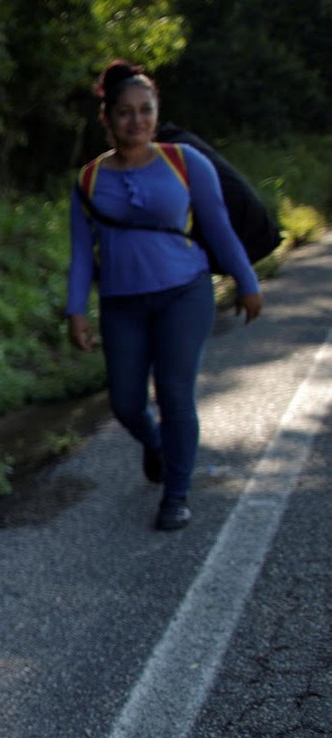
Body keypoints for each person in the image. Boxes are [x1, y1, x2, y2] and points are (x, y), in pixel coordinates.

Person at [66, 59, 265, 531]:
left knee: (175, 394)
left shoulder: (184, 163)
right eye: (125, 112)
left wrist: (248, 281)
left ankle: (176, 494)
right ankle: (155, 444)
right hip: (122, 303)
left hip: (185, 294)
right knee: (127, 404)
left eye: (146, 110)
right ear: (108, 118)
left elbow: (218, 228)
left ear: (157, 113)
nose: (137, 121)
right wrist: (76, 311)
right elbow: (80, 255)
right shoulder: (89, 180)